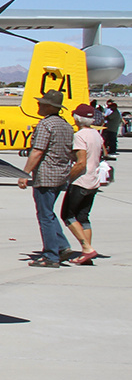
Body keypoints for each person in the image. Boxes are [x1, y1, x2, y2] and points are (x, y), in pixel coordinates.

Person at [17, 90, 74, 267]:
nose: (38, 105)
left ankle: (51, 255)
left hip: (46, 175)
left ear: (50, 106)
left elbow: (38, 151)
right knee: (49, 213)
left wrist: (25, 173)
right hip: (61, 174)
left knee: (44, 215)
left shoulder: (45, 125)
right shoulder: (66, 125)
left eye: (41, 103)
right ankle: (62, 246)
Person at [61, 103, 104, 265]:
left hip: (81, 181)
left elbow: (81, 163)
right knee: (83, 217)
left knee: (68, 215)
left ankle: (86, 248)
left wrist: (67, 178)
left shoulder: (80, 135)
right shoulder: (96, 134)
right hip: (93, 180)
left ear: (77, 118)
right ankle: (87, 252)